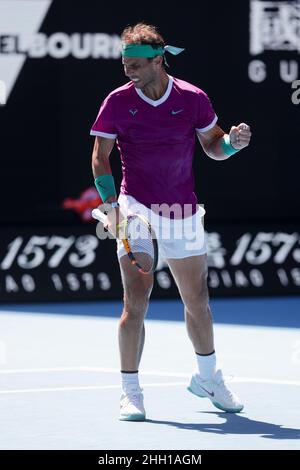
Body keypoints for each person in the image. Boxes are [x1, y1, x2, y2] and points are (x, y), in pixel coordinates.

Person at [90, 22, 251, 421]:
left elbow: (213, 146)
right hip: (136, 211)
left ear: (158, 61)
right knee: (136, 304)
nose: (128, 70)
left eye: (136, 64)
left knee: (198, 303)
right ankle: (130, 391)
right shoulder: (116, 101)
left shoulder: (193, 98)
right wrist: (112, 205)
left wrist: (232, 144)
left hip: (183, 212)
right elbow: (100, 157)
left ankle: (208, 378)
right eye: (124, 63)